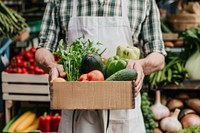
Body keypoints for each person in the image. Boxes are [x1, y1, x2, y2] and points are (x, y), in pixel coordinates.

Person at [35, 0, 166, 133]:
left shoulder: (143, 2)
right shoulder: (59, 2)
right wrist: (52, 65)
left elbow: (158, 56)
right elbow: (43, 49)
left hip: (123, 116)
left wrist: (141, 65)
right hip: (77, 114)